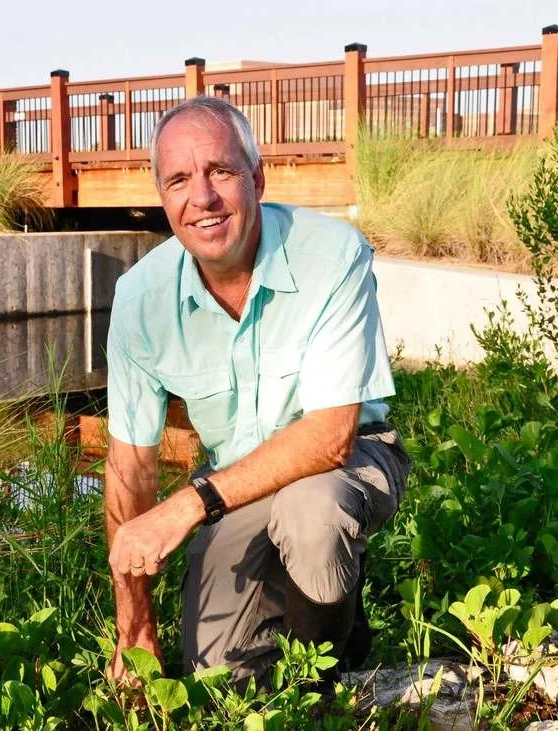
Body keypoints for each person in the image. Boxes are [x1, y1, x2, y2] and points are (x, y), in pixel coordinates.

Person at [103, 96, 410, 691]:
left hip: (351, 460)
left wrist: (189, 505)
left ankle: (322, 687)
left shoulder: (332, 255)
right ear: (162, 198)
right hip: (238, 483)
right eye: (179, 180)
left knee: (311, 513)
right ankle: (321, 609)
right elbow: (129, 469)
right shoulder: (140, 300)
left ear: (257, 178)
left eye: (220, 171)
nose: (203, 197)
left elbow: (329, 439)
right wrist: (135, 624)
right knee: (219, 676)